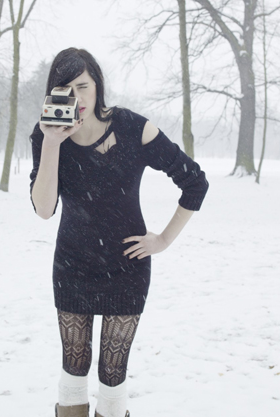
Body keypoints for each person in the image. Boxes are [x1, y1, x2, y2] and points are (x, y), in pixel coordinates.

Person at [29, 48, 209, 417]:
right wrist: (52, 143)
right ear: (53, 93)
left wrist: (163, 240)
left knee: (113, 373)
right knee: (74, 365)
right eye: (66, 89)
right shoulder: (45, 135)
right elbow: (44, 209)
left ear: (97, 85)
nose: (77, 97)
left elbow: (195, 182)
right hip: (73, 263)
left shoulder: (133, 128)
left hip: (126, 266)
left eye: (83, 86)